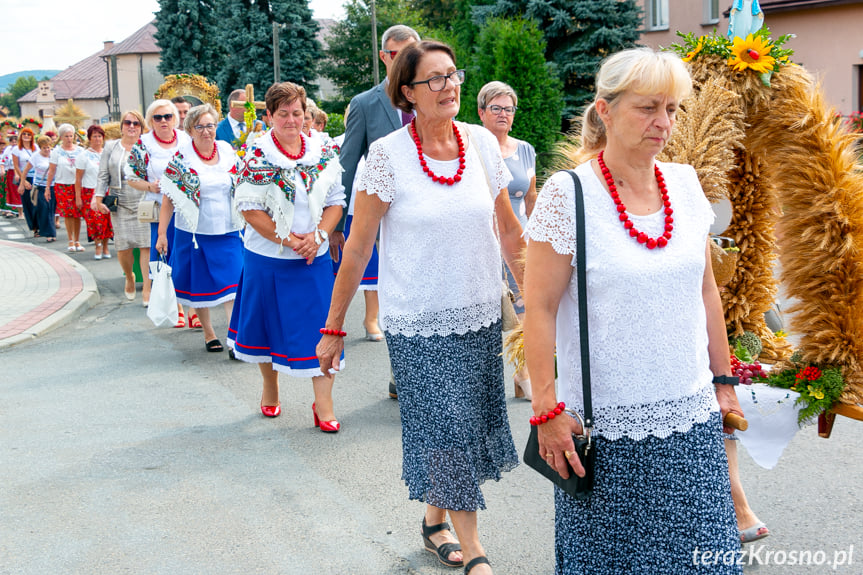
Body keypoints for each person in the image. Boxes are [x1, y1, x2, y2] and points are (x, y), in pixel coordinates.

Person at [522, 47, 743, 574]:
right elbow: (539, 310)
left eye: (671, 108)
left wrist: (723, 377)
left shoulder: (687, 186)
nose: (663, 122)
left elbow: (705, 291)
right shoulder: (568, 194)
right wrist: (547, 412)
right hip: (606, 430)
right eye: (648, 108)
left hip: (689, 422)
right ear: (605, 110)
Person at [317, 41, 524, 575]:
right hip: (418, 320)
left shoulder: (480, 144)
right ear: (406, 93)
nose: (449, 85)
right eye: (434, 79)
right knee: (448, 425)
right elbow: (358, 245)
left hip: (478, 310)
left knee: (464, 426)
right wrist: (333, 325)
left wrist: (533, 304)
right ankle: (474, 548)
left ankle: (435, 522)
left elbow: (508, 230)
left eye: (452, 75)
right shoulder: (387, 157)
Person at [228, 82, 345, 429]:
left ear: (306, 114)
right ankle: (270, 389)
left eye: (298, 113)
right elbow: (249, 209)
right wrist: (293, 240)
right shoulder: (257, 155)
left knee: (324, 330)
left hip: (315, 258)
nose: (292, 120)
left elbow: (336, 200)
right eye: (284, 114)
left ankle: (324, 404)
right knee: (266, 327)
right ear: (269, 117)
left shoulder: (322, 152)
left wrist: (319, 235)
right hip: (269, 258)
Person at [333, 24, 421, 396]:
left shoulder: (431, 93)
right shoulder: (366, 104)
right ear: (384, 57)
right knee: (400, 293)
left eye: (410, 52)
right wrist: (336, 221)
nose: (402, 60)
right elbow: (347, 164)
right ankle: (400, 372)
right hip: (389, 217)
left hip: (431, 211)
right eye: (395, 54)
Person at [155, 103, 243, 352]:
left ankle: (235, 339)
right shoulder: (182, 158)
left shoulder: (226, 150)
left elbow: (242, 182)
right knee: (200, 283)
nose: (207, 131)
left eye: (210, 126)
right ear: (190, 130)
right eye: (200, 127)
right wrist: (162, 233)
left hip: (228, 229)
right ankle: (209, 333)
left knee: (234, 284)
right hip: (194, 232)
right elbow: (168, 198)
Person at [477, 81, 537, 400]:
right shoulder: (472, 148)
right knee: (490, 314)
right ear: (482, 112)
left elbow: (530, 199)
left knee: (525, 309)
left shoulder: (525, 149)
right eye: (496, 108)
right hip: (484, 241)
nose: (503, 114)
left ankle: (523, 373)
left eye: (509, 109)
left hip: (519, 240)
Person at [126, 99, 193, 322]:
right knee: (165, 254)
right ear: (150, 120)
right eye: (158, 117)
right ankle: (176, 307)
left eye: (168, 116)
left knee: (187, 255)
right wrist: (149, 186)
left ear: (175, 118)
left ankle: (192, 307)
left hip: (185, 207)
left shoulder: (185, 139)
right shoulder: (143, 144)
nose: (163, 121)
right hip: (160, 207)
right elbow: (132, 178)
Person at [94, 111, 151, 302]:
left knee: (146, 245)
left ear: (142, 127)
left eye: (136, 123)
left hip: (144, 197)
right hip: (120, 198)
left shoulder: (147, 146)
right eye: (128, 122)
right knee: (123, 246)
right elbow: (103, 175)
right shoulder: (111, 147)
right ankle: (129, 276)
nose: (132, 126)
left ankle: (147, 290)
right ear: (122, 126)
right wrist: (98, 198)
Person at [45, 124, 84, 252]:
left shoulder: (80, 150)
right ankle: (70, 240)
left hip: (78, 184)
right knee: (68, 213)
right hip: (62, 184)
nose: (69, 138)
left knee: (77, 213)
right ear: (61, 137)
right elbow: (51, 171)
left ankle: (78, 240)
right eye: (66, 136)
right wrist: (47, 187)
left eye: (71, 136)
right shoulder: (56, 151)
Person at [76, 125, 113, 259]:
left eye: (99, 136)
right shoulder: (84, 155)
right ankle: (97, 246)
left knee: (107, 220)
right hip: (89, 191)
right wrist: (78, 197)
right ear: (90, 138)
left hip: (106, 191)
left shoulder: (107, 153)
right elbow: (78, 178)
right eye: (94, 136)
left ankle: (105, 246)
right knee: (95, 221)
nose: (97, 139)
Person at [17, 135, 56, 243]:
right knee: (43, 208)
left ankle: (50, 231)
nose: (47, 150)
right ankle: (49, 233)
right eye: (44, 148)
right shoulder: (35, 157)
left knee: (50, 209)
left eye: (48, 147)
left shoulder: (54, 155)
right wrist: (22, 184)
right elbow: (25, 171)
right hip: (39, 186)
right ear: (40, 147)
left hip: (52, 186)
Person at [12, 127, 37, 234]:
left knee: (37, 203)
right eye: (24, 134)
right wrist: (23, 181)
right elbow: (16, 166)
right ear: (21, 136)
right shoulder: (16, 149)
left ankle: (40, 225)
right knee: (28, 203)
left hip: (36, 177)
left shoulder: (35, 148)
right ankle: (34, 227)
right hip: (24, 177)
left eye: (29, 134)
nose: (26, 136)